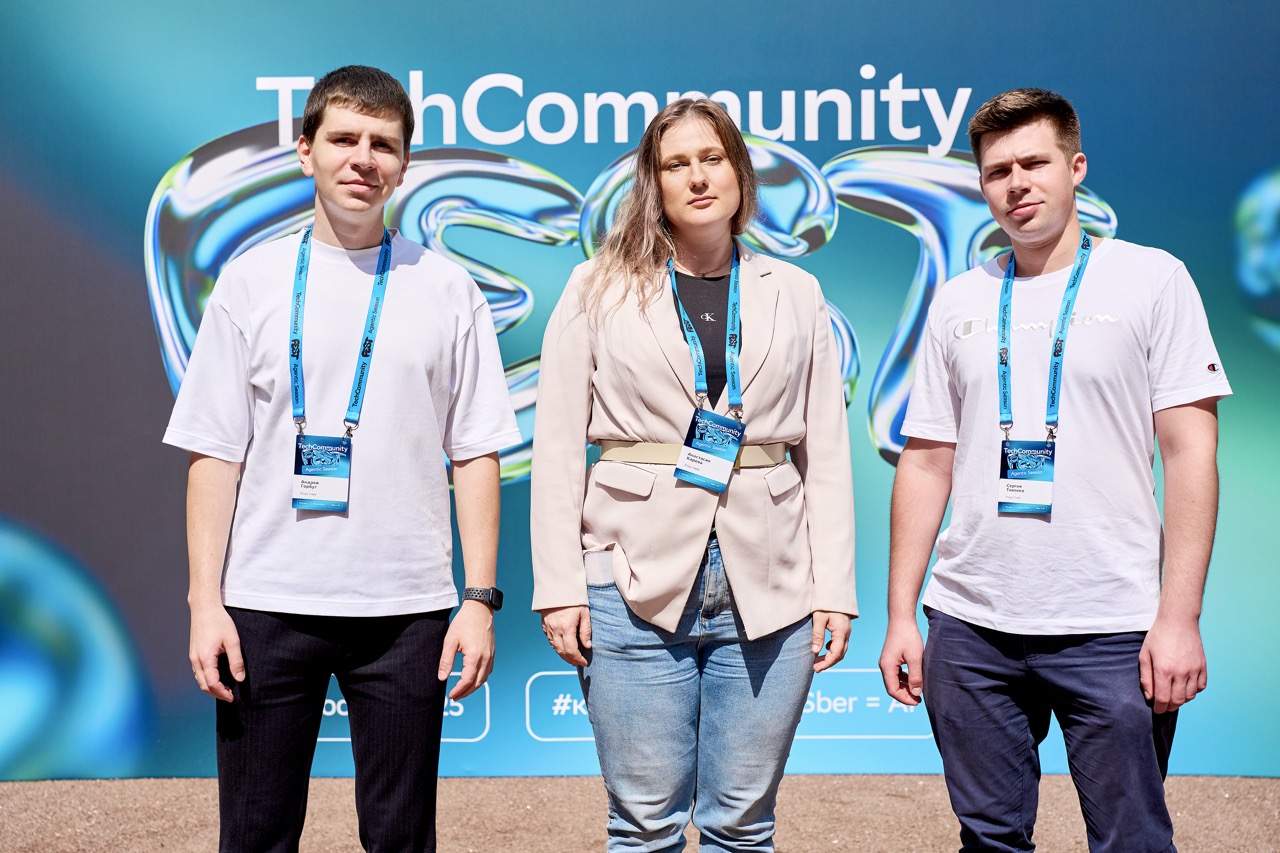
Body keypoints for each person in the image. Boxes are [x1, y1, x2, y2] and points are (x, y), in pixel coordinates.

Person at [163, 65, 520, 852]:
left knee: (400, 836)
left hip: (405, 613)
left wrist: (479, 598)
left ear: (405, 163)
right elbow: (214, 454)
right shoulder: (249, 282)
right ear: (306, 150)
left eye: (383, 144)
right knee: (255, 833)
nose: (364, 159)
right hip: (264, 605)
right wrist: (204, 601)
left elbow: (476, 451)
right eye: (345, 139)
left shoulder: (447, 288)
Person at [878, 87, 1231, 852]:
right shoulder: (959, 301)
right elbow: (927, 460)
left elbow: (1190, 454)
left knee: (1132, 839)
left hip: (1110, 622)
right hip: (971, 625)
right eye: (998, 171)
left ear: (1076, 168)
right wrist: (902, 613)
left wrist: (1180, 618)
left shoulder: (1152, 279)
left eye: (1034, 163)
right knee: (989, 838)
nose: (1018, 183)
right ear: (983, 186)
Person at [530, 98, 857, 851]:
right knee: (644, 823)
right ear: (655, 183)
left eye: (712, 158)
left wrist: (835, 588)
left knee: (743, 823)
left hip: (772, 579)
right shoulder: (596, 286)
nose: (698, 177)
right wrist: (560, 588)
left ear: (739, 171)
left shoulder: (796, 291)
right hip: (629, 576)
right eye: (677, 164)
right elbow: (557, 448)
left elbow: (828, 455)